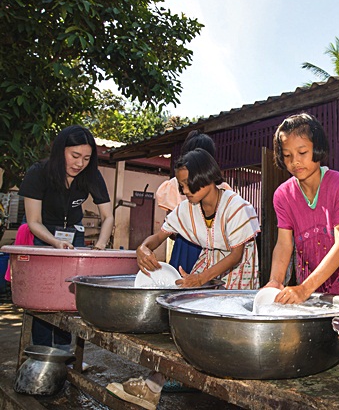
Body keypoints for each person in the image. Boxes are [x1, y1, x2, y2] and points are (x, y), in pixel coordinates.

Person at [107, 148, 260, 409]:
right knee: (188, 325)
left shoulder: (236, 207)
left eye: (189, 184)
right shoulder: (188, 209)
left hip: (238, 268)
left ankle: (236, 397)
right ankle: (153, 386)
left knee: (228, 333)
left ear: (208, 177)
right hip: (208, 263)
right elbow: (159, 236)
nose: (185, 190)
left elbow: (236, 255)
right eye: (181, 185)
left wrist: (201, 279)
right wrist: (143, 248)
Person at [19, 125, 113, 351]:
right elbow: (34, 221)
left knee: (69, 295)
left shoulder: (91, 175)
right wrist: (54, 242)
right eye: (75, 155)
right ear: (60, 151)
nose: (80, 163)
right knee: (44, 295)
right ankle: (41, 351)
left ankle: (64, 352)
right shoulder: (39, 172)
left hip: (74, 234)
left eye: (86, 158)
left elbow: (107, 216)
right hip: (43, 234)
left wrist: (100, 245)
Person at [264, 113, 339, 304]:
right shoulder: (282, 195)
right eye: (287, 155)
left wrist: (304, 288)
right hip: (311, 294)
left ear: (318, 148)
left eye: (302, 152)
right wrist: (275, 281)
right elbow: (284, 244)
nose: (295, 161)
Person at [155, 130, 231, 274]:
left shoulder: (174, 184)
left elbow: (171, 231)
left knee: (180, 283)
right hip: (215, 250)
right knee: (211, 285)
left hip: (184, 248)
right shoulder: (221, 188)